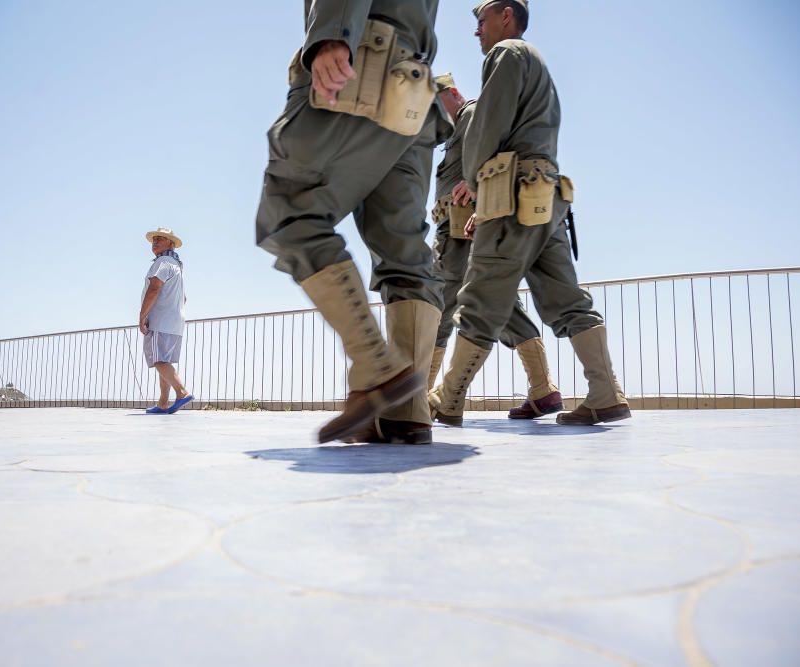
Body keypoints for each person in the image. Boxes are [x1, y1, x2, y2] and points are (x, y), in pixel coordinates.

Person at [429, 0, 630, 426]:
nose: (476, 32)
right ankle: (606, 392)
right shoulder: (535, 63)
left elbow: (489, 125)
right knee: (565, 299)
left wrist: (483, 191)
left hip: (514, 193)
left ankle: (445, 400)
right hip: (545, 195)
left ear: (506, 16)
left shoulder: (508, 54)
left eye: (481, 21)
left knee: (480, 296)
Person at [256, 1, 444, 443]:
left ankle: (376, 368)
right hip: (410, 93)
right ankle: (407, 412)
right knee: (404, 251)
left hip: (361, 67)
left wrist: (332, 33)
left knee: (287, 210)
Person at [428, 73, 562, 423]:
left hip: (463, 229)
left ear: (452, 93)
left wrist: (475, 191)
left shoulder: (471, 115)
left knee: (445, 305)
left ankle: (420, 398)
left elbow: (497, 155)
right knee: (491, 303)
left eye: (435, 102)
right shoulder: (455, 129)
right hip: (454, 227)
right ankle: (542, 388)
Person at [140, 228, 193, 415]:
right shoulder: (177, 266)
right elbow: (184, 298)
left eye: (160, 239)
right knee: (165, 361)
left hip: (160, 320)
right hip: (176, 322)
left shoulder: (162, 262)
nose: (154, 242)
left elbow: (154, 288)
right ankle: (163, 403)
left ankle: (182, 392)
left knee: (158, 359)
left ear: (170, 243)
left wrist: (142, 316)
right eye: (154, 239)